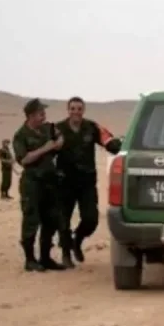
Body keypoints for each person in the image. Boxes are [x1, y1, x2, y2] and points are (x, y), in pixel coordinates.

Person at [55, 96, 122, 268]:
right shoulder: (57, 129)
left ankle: (77, 240)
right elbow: (47, 150)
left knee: (91, 219)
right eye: (73, 109)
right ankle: (66, 254)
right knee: (63, 219)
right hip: (64, 182)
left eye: (79, 109)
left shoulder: (92, 127)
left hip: (86, 183)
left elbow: (109, 142)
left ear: (83, 110)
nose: (76, 112)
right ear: (68, 110)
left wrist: (119, 146)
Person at [12, 98, 67, 272]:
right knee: (31, 220)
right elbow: (24, 159)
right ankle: (30, 260)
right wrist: (45, 148)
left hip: (49, 182)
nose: (44, 116)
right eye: (40, 113)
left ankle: (45, 257)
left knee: (51, 220)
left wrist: (58, 142)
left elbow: (59, 136)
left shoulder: (47, 128)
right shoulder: (21, 135)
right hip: (32, 183)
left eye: (44, 113)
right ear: (31, 115)